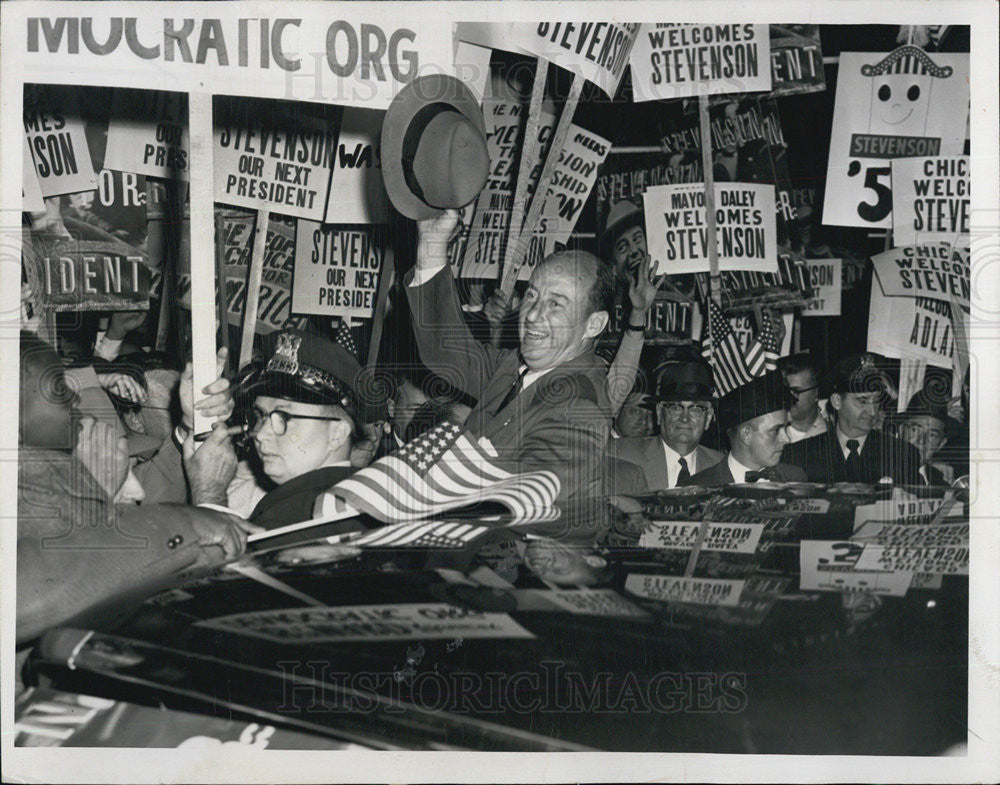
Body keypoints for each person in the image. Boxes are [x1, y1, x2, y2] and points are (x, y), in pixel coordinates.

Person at [17, 332, 250, 644]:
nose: (75, 397)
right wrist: (188, 524)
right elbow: (36, 587)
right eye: (58, 386)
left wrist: (191, 428)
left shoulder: (50, 462)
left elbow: (140, 522)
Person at [405, 210, 615, 500]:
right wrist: (432, 244)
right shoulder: (516, 368)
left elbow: (526, 496)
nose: (533, 315)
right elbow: (445, 349)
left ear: (594, 324)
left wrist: (456, 454)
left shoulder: (580, 406)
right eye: (532, 295)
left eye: (556, 304)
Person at [188, 328, 366, 529]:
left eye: (284, 417)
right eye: (260, 416)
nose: (261, 434)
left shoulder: (305, 517)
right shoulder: (350, 499)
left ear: (337, 434)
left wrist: (209, 494)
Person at [782, 353, 921, 485]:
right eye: (862, 401)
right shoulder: (799, 456)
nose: (872, 411)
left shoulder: (901, 454)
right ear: (837, 401)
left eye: (876, 400)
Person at [609, 362, 723, 491]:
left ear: (708, 418)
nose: (684, 418)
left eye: (695, 409)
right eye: (675, 407)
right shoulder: (619, 454)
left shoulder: (722, 466)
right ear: (659, 412)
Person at [682, 371, 805, 486]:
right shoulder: (699, 487)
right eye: (775, 431)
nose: (786, 439)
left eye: (786, 428)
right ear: (746, 435)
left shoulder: (795, 479)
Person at [891, 393, 955, 486]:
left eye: (932, 435)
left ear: (941, 444)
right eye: (915, 430)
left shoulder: (943, 485)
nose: (921, 441)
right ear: (901, 431)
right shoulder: (876, 470)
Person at [778, 353, 829, 443]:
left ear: (816, 392)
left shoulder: (832, 436)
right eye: (785, 390)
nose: (788, 396)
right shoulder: (769, 437)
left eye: (796, 391)